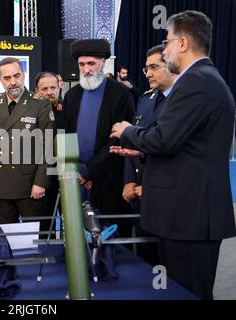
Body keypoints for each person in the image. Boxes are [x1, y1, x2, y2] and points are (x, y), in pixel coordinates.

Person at [110, 10, 236, 300]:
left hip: (188, 217)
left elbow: (164, 139)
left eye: (166, 42)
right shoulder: (205, 79)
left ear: (182, 44)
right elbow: (183, 146)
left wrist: (128, 131)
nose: (164, 50)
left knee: (187, 292)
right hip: (186, 215)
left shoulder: (196, 81)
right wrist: (141, 147)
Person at [64, 39, 134, 232]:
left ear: (103, 63)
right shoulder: (72, 95)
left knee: (110, 234)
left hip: (109, 177)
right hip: (78, 178)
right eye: (81, 64)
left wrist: (89, 170)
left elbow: (120, 137)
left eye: (91, 63)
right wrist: (79, 170)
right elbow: (66, 135)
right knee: (78, 233)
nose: (86, 69)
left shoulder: (120, 93)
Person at [0, 57, 55, 225]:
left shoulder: (40, 103)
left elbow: (48, 146)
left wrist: (40, 182)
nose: (13, 82)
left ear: (23, 75)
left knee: (35, 238)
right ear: (0, 79)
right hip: (0, 184)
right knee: (6, 240)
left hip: (30, 185)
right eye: (7, 78)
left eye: (17, 76)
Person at [122, 44, 176, 265]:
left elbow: (173, 151)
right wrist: (129, 180)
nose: (149, 73)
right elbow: (132, 142)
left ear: (171, 66)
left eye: (154, 67)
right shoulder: (145, 99)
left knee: (169, 265)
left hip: (165, 196)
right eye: (146, 69)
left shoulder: (181, 102)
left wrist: (151, 186)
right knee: (145, 260)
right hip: (138, 194)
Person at [34, 72, 66, 217]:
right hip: (40, 177)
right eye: (44, 89)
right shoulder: (29, 112)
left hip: (65, 175)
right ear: (36, 91)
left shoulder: (69, 109)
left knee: (70, 223)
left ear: (59, 87)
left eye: (53, 88)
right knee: (43, 224)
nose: (49, 92)